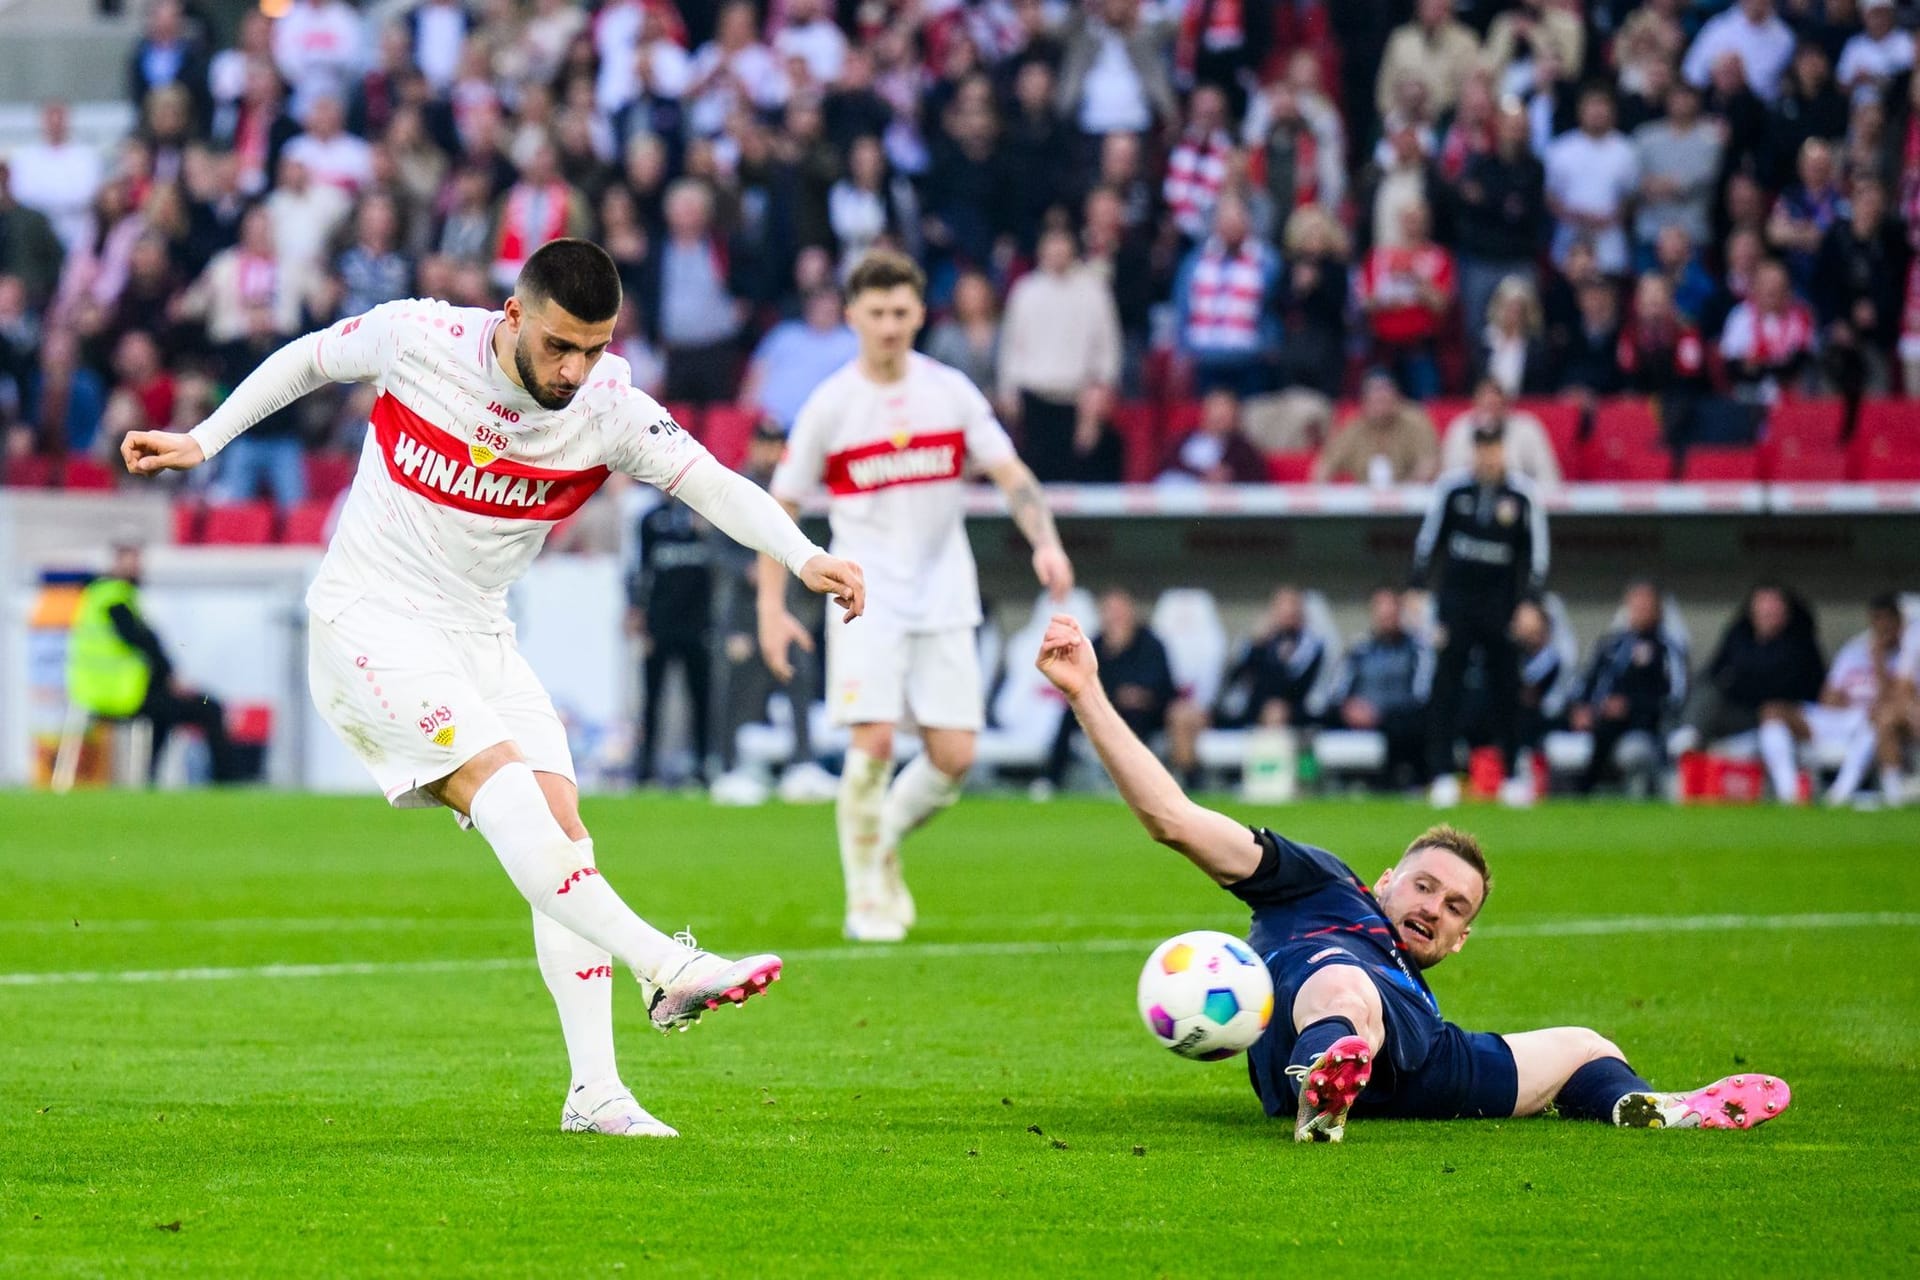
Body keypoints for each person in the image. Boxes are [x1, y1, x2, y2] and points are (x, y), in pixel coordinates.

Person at [119, 239, 866, 1139]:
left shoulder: (608, 406)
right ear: (513, 315)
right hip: (370, 619)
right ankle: (664, 966)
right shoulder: (420, 340)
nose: (575, 368)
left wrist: (806, 554)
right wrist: (203, 440)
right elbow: (306, 359)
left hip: (479, 634)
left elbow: (713, 482)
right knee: (508, 788)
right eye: (559, 345)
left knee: (563, 832)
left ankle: (596, 1092)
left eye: (594, 348)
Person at [1033, 610, 1790, 1142]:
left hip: (1420, 1053)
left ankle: (1644, 1109)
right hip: (1318, 1017)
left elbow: (1478, 1028)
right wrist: (1087, 695)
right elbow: (1173, 817)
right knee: (1345, 986)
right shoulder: (1320, 887)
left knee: (1584, 1045)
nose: (1435, 908)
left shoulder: (1421, 988)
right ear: (1386, 880)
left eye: (1456, 908)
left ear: (1461, 940)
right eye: (1425, 886)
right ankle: (1322, 1089)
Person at [759, 250, 1074, 944]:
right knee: (871, 740)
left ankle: (881, 838)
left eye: (902, 312)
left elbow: (1011, 473)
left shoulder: (950, 392)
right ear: (852, 317)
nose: (890, 325)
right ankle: (866, 897)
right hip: (861, 593)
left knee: (955, 758)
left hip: (944, 593)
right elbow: (776, 508)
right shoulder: (831, 405)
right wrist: (771, 609)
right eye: (876, 313)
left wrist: (1044, 540)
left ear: (919, 314)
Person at [1412, 421, 1549, 808]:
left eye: (1494, 448)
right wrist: (1418, 591)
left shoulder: (1522, 495)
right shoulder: (1453, 489)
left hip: (1502, 608)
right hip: (1456, 606)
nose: (1488, 456)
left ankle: (1510, 775)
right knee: (1445, 689)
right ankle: (1440, 774)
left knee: (1506, 690)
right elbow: (1428, 544)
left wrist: (1531, 603)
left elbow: (1535, 555)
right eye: (1481, 448)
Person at [65, 540, 246, 784]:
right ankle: (225, 779)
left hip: (105, 692)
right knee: (206, 708)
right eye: (131, 561)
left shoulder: (103, 597)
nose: (137, 568)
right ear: (116, 563)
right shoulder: (113, 598)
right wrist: (169, 677)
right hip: (119, 694)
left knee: (170, 710)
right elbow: (144, 643)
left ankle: (151, 777)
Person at [997, 227, 1123, 483]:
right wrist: (1008, 391)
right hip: (1034, 400)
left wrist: (1100, 392)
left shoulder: (1093, 291)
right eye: (1051, 244)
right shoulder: (1025, 291)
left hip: (1077, 400)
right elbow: (1011, 346)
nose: (1057, 251)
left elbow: (1108, 348)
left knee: (1076, 482)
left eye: (1062, 244)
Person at [1760, 594, 1909, 806]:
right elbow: (1827, 698)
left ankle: (1839, 795)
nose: (1882, 626)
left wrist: (1879, 662)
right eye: (1877, 619)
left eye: (1888, 620)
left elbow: (1896, 703)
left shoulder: (1908, 655)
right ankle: (1790, 795)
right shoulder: (1854, 650)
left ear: (1898, 622)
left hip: (1870, 724)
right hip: (1841, 718)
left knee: (1878, 718)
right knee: (1772, 710)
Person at [1167, 586, 1325, 782]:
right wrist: (1256, 645)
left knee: (1274, 711)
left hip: (1293, 713)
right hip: (1247, 710)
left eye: (1291, 606)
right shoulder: (1255, 642)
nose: (1287, 612)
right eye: (1281, 606)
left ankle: (1269, 782)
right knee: (1183, 714)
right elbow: (1233, 678)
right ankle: (1189, 784)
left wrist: (1282, 660)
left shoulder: (1310, 644)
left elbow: (1295, 687)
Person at [628, 497, 723, 786]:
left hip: (699, 626)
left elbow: (720, 568)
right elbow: (640, 569)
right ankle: (645, 769)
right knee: (652, 698)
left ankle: (703, 766)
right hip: (660, 625)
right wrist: (638, 616)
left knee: (701, 698)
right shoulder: (650, 520)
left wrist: (707, 532)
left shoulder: (710, 516)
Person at [1042, 588, 1174, 792]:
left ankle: (1134, 783)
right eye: (1110, 611)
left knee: (1134, 716)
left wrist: (1140, 694)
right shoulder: (1096, 644)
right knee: (1070, 713)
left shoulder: (1151, 643)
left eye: (1120, 611)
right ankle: (1051, 779)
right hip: (1107, 704)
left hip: (1147, 711)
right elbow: (1085, 679)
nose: (1115, 618)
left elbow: (1163, 683)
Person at [1678, 583, 1826, 758]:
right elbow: (1714, 671)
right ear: (1752, 610)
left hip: (1783, 717)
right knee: (1706, 691)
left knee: (1772, 714)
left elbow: (1805, 688)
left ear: (1786, 611)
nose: (1768, 611)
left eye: (1774, 605)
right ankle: (1688, 738)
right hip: (1742, 712)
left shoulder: (1801, 642)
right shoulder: (1739, 635)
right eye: (1763, 606)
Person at [1571, 581, 1689, 796]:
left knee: (1620, 734)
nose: (1640, 611)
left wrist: (1630, 705)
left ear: (1658, 610)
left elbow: (1675, 697)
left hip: (1645, 724)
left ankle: (1586, 788)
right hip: (1601, 719)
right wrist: (1582, 708)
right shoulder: (1609, 645)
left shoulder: (1666, 648)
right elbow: (1587, 681)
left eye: (1646, 605)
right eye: (1635, 606)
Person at [1323, 587, 1434, 789]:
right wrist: (1349, 709)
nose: (1386, 618)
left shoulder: (1417, 649)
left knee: (1414, 723)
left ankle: (1397, 783)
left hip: (1398, 721)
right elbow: (1335, 692)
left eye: (1391, 613)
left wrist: (1379, 715)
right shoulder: (1359, 649)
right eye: (1381, 613)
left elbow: (1421, 696)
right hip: (1356, 718)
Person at [1313, 371, 1438, 485]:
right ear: (1364, 402)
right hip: (1364, 501)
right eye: (1375, 397)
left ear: (1397, 397)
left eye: (1385, 395)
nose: (1381, 402)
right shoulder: (1354, 427)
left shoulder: (1415, 421)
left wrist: (1405, 492)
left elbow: (1428, 465)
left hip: (1410, 499)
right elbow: (1325, 465)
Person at [1439, 379, 1562, 489]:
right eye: (1486, 405)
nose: (1490, 413)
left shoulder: (1528, 429)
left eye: (1495, 405)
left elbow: (1549, 477)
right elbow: (1447, 480)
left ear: (1506, 404)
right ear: (1475, 402)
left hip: (1519, 503)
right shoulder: (1459, 429)